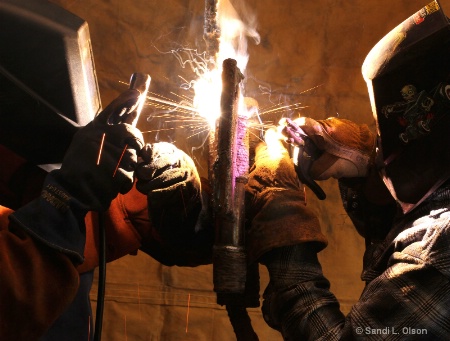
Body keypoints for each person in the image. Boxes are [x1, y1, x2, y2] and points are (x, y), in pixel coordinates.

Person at [243, 1, 450, 340]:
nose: (379, 147)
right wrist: (362, 173)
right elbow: (404, 232)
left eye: (385, 137)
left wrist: (284, 222)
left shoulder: (439, 250)